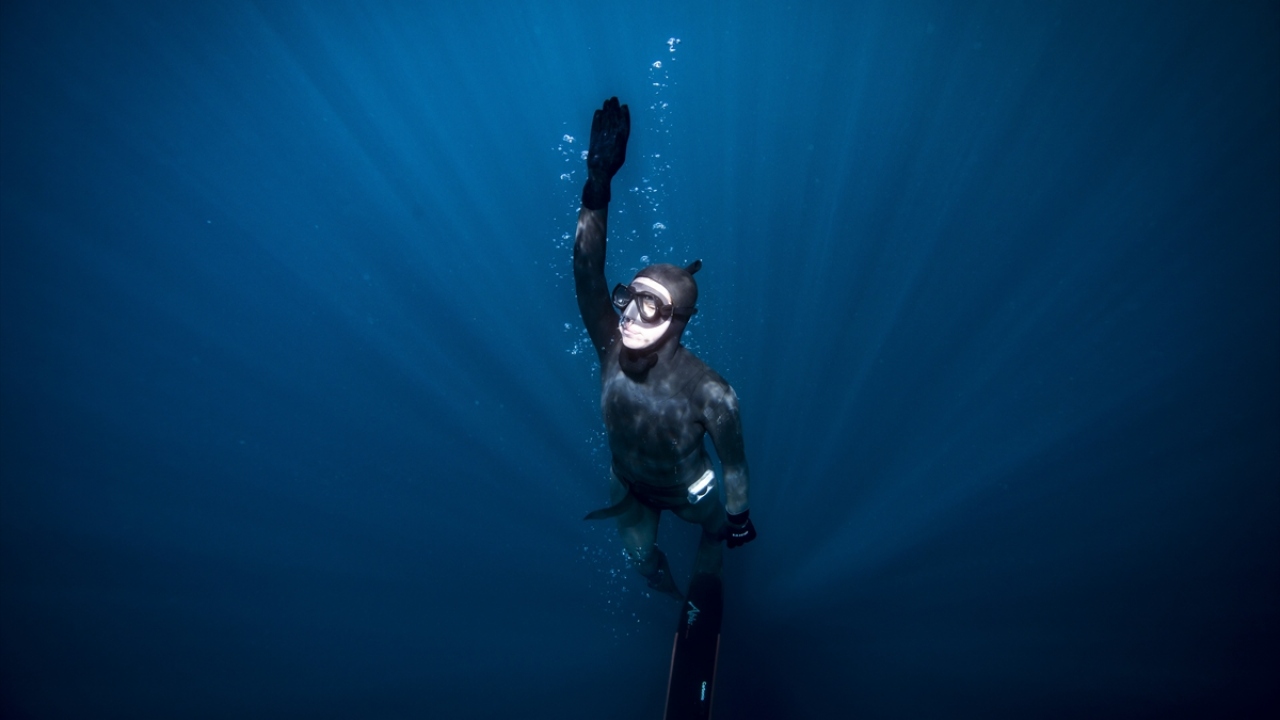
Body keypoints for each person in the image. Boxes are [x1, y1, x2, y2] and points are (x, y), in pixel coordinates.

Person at [574, 97, 757, 601]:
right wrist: (597, 187)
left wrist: (739, 518)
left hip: (689, 492)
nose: (631, 315)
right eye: (629, 297)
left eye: (651, 307)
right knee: (641, 565)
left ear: (679, 320)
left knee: (717, 530)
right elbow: (587, 274)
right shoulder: (610, 344)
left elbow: (734, 465)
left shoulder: (710, 392)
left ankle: (712, 544)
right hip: (629, 487)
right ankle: (674, 593)